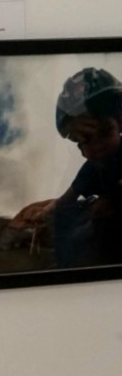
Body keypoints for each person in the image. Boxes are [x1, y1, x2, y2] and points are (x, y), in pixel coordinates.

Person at [52, 67, 122, 268]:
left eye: (103, 132)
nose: (92, 150)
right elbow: (63, 202)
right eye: (81, 142)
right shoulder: (92, 169)